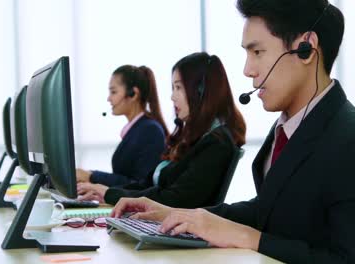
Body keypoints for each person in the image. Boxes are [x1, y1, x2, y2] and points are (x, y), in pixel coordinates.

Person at [110, 1, 355, 263]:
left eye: (257, 52)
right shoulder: (290, 126)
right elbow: (267, 210)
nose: (247, 70)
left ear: (306, 48)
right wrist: (177, 215)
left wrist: (250, 238)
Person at [77, 52, 246, 208]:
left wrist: (110, 193)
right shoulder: (194, 139)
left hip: (174, 233)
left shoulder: (216, 142)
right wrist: (106, 192)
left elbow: (175, 199)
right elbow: (146, 184)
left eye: (178, 87)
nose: (172, 97)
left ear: (201, 92)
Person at [76, 65, 168, 187]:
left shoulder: (150, 130)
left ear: (133, 94)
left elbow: (141, 185)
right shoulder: (137, 129)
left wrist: (92, 176)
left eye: (113, 92)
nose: (109, 98)